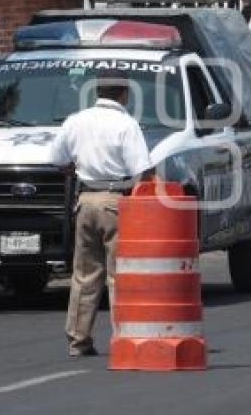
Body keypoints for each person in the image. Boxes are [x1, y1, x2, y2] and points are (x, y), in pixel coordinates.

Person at [50, 68, 152, 357]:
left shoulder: (76, 121)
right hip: (116, 201)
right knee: (119, 274)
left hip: (85, 200)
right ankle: (124, 337)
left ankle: (78, 340)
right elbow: (141, 171)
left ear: (98, 92)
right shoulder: (126, 124)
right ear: (124, 93)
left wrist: (78, 170)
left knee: (84, 273)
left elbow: (56, 159)